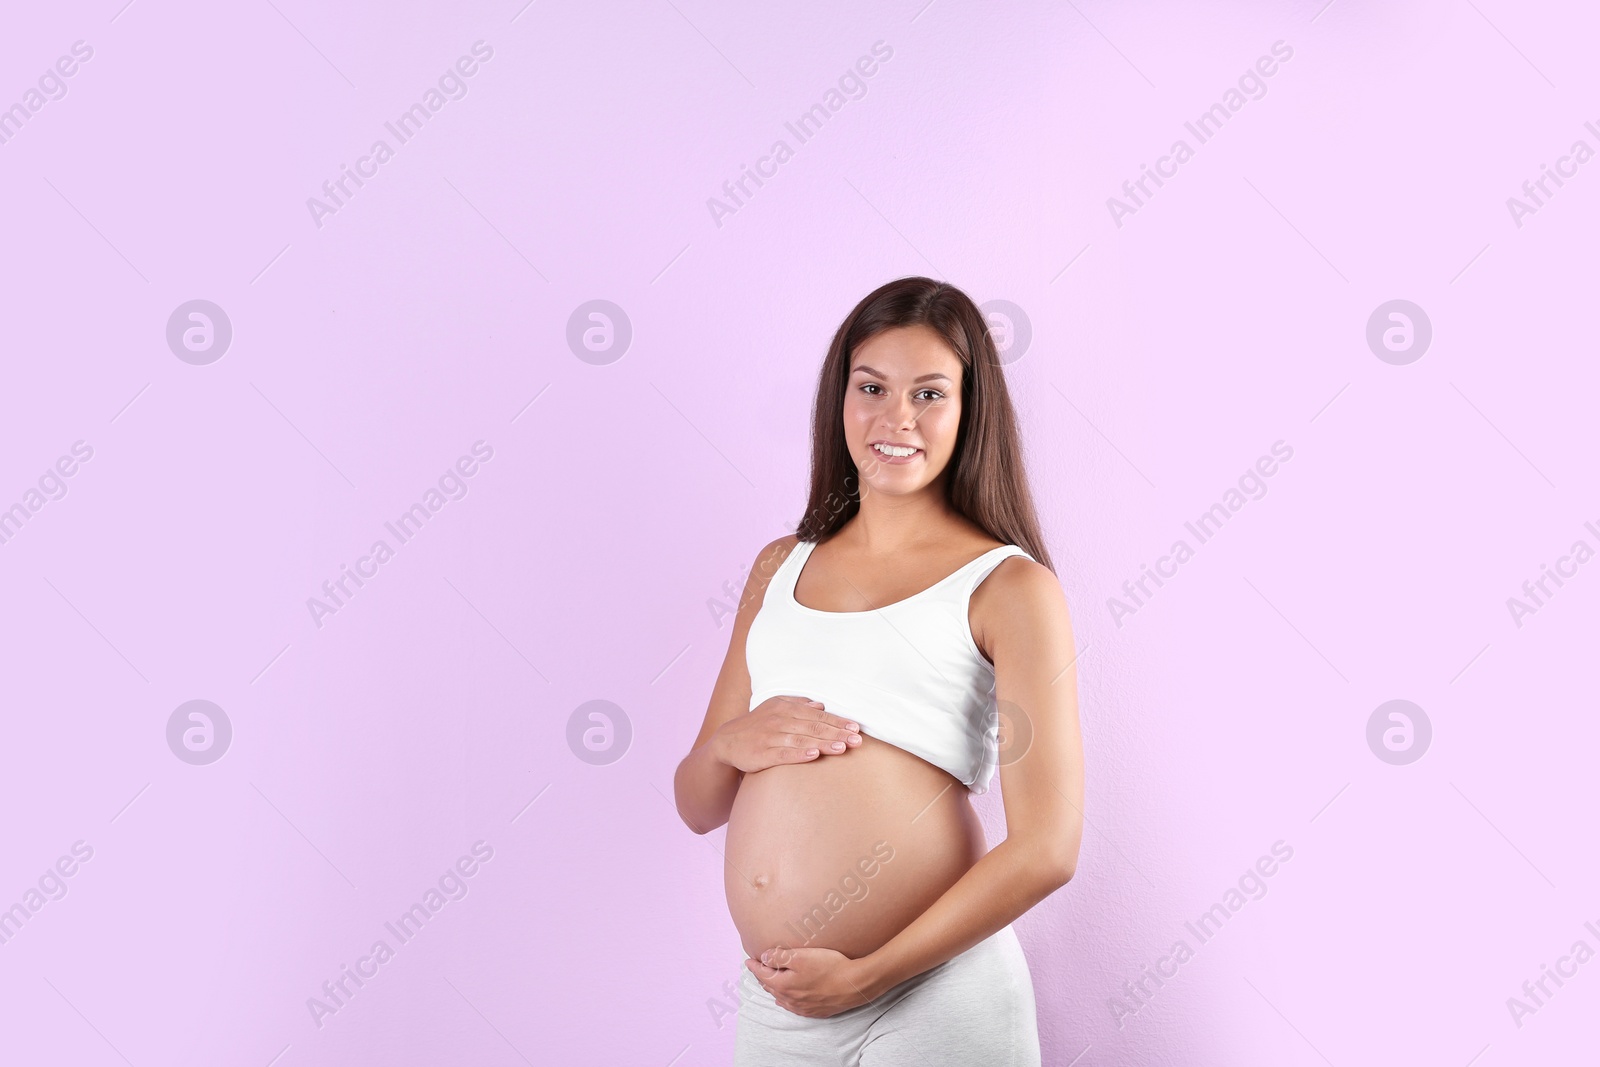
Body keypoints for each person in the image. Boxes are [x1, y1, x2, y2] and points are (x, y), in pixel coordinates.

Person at [673, 276, 1084, 1066]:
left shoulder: (1008, 586)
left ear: (970, 412)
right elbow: (697, 804)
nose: (896, 418)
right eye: (872, 388)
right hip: (780, 1007)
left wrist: (868, 975)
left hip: (933, 992)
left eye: (929, 393)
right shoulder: (777, 570)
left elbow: (1049, 846)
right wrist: (730, 744)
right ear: (841, 399)